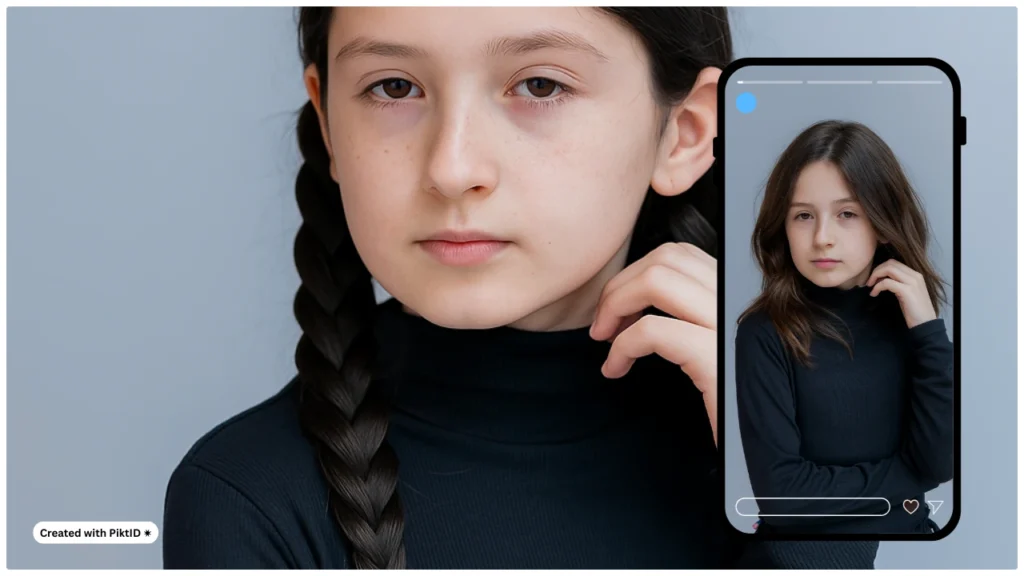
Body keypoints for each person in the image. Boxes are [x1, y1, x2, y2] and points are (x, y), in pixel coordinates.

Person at [161, 8, 859, 569]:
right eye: (394, 87)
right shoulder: (243, 501)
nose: (453, 167)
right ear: (328, 124)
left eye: (540, 85)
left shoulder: (803, 456)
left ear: (683, 131)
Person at [734, 119, 955, 549]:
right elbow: (783, 498)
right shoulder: (764, 333)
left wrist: (929, 332)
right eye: (803, 216)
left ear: (882, 220)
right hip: (802, 561)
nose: (822, 238)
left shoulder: (911, 325)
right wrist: (907, 481)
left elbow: (940, 461)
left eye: (847, 214)